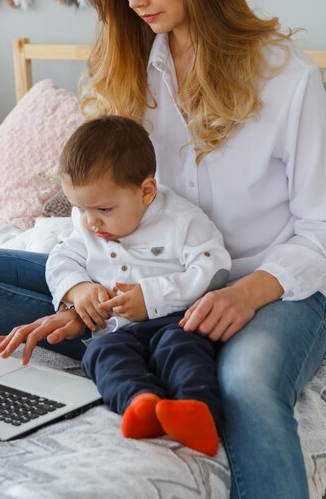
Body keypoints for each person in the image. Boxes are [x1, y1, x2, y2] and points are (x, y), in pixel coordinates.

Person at [0, 0, 326, 499]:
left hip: (267, 287)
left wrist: (248, 294)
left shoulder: (290, 79)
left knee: (246, 383)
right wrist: (79, 289)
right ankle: (140, 340)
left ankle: (146, 348)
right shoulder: (130, 69)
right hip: (144, 279)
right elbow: (97, 209)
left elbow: (319, 230)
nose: (135, 0)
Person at [45, 115, 230, 454]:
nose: (91, 221)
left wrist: (153, 296)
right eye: (81, 209)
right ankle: (141, 404)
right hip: (116, 330)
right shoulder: (87, 222)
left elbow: (214, 268)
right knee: (101, 354)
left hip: (175, 321)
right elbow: (60, 258)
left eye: (103, 209)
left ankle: (197, 411)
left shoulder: (182, 220)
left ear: (146, 191)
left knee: (182, 351)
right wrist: (78, 289)